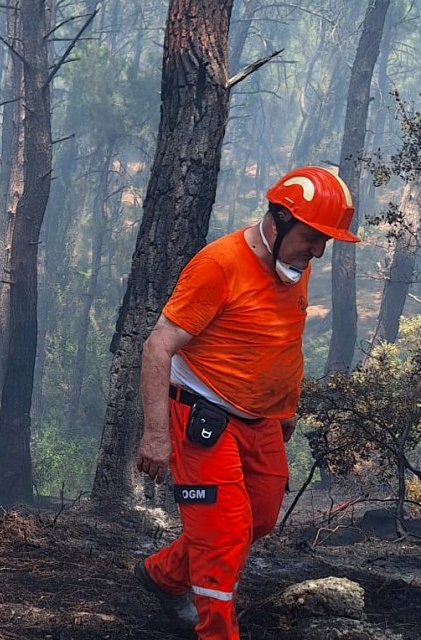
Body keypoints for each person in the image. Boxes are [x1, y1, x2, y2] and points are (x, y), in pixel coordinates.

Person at [134, 166, 359, 639]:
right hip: (202, 415)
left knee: (259, 517)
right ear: (279, 220)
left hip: (262, 420)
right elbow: (157, 346)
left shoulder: (294, 265)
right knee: (224, 537)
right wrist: (156, 434)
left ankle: (164, 575)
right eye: (313, 238)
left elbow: (282, 338)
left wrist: (286, 407)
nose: (319, 251)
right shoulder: (219, 265)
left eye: (325, 241)